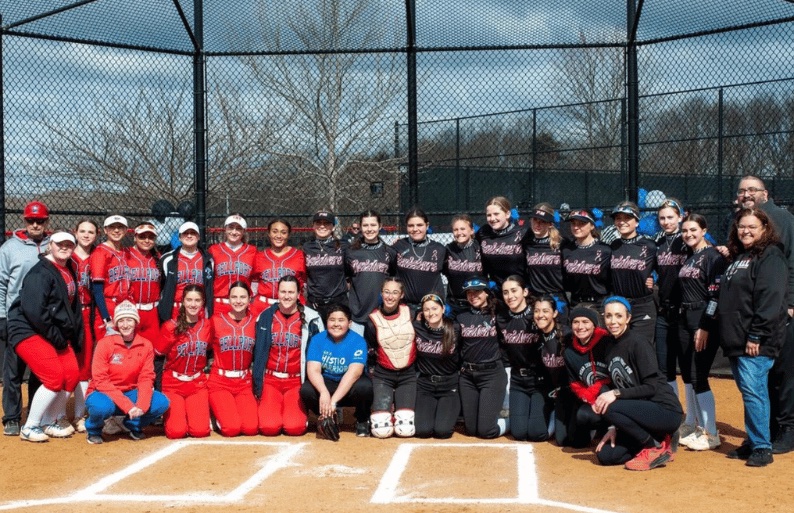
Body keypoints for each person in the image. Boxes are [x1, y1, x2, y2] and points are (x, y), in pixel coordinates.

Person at [719, 208, 788, 467]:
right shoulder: (741, 257)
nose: (745, 231)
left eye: (752, 227)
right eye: (741, 227)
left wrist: (757, 334)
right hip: (737, 338)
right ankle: (753, 440)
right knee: (750, 392)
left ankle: (761, 446)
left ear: (764, 229)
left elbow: (770, 299)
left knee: (754, 391)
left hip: (755, 340)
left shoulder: (771, 256)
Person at [734, 176, 794, 454]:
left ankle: (788, 428)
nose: (746, 193)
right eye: (742, 190)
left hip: (781, 309)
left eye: (752, 189)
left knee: (783, 372)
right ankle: (766, 429)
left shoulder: (782, 218)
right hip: (753, 312)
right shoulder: (741, 221)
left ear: (765, 193)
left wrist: (790, 302)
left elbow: (790, 263)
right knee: (761, 377)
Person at [6, 231, 83, 442]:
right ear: (50, 245)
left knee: (71, 374)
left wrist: (71, 335)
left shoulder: (67, 268)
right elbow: (34, 311)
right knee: (53, 377)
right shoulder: (40, 273)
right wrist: (56, 336)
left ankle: (50, 421)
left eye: (69, 244)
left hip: (51, 331)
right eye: (60, 244)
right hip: (28, 330)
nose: (65, 247)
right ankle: (30, 426)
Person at [593, 297, 682, 471]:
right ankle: (658, 440)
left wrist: (615, 394)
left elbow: (651, 387)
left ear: (628, 318)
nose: (613, 321)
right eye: (609, 316)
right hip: (640, 412)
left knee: (609, 406)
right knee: (606, 455)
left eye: (619, 316)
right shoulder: (609, 345)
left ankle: (654, 446)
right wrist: (614, 426)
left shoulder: (638, 342)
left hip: (664, 410)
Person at [84, 300, 170, 444]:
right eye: (121, 320)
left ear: (136, 322)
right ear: (116, 323)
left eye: (129, 320)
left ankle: (131, 424)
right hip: (103, 393)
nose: (125, 325)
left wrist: (141, 406)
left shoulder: (146, 345)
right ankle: (94, 429)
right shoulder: (105, 344)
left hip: (131, 392)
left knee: (161, 402)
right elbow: (101, 380)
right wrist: (127, 406)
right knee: (101, 407)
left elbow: (146, 377)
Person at [676, 214, 726, 451]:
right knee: (689, 373)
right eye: (685, 231)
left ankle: (711, 433)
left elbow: (716, 296)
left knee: (699, 374)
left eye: (693, 230)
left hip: (702, 318)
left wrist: (705, 325)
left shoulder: (714, 256)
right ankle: (697, 427)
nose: (688, 234)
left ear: (704, 230)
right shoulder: (690, 256)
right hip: (685, 316)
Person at [1, 200, 51, 437]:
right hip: (17, 317)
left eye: (40, 220)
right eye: (31, 220)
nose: (35, 224)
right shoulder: (10, 248)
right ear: (24, 221)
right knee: (13, 371)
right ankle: (11, 417)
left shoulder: (55, 245)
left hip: (44, 318)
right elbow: (1, 285)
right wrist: (2, 317)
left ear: (46, 222)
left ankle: (35, 413)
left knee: (41, 369)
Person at [252, 276, 323, 436]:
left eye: (291, 292)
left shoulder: (312, 318)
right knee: (269, 428)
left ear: (299, 294)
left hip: (296, 381)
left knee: (294, 428)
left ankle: (298, 414)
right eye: (283, 291)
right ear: (277, 293)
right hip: (271, 380)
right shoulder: (265, 316)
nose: (286, 296)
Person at [497, 277, 566, 442]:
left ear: (525, 292)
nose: (510, 296)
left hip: (540, 381)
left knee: (537, 434)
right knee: (519, 433)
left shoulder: (537, 316)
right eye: (505, 292)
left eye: (514, 291)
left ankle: (554, 412)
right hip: (518, 381)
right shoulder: (501, 319)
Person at [300, 304, 373, 438]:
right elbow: (313, 370)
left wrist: (332, 401)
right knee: (306, 390)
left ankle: (362, 419)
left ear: (349, 323)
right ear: (326, 322)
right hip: (328, 382)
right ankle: (327, 416)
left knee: (365, 387)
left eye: (341, 320)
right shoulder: (318, 339)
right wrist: (323, 392)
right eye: (332, 320)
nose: (336, 324)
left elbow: (354, 373)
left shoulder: (358, 341)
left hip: (349, 384)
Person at [155, 285, 212, 439]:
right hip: (173, 383)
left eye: (197, 300)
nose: (193, 304)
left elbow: (211, 352)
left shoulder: (207, 325)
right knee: (176, 432)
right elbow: (158, 358)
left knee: (200, 431)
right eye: (189, 300)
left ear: (202, 303)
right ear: (182, 302)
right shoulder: (170, 327)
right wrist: (159, 390)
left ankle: (200, 415)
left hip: (197, 383)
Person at [365, 277, 417, 438]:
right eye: (386, 292)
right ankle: (384, 412)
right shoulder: (372, 320)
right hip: (384, 374)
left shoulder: (412, 314)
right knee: (381, 430)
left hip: (408, 374)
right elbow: (372, 348)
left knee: (405, 428)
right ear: (381, 293)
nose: (390, 296)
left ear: (401, 295)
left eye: (395, 292)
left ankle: (399, 410)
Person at [457, 276, 507, 439]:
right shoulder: (461, 317)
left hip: (492, 375)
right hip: (468, 377)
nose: (473, 295)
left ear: (486, 293)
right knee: (471, 430)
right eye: (469, 293)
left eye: (477, 291)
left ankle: (512, 422)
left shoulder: (498, 315)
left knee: (486, 431)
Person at [208, 281, 258, 437]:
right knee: (231, 429)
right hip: (220, 382)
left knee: (251, 428)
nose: (238, 301)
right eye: (234, 297)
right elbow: (204, 348)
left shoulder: (255, 322)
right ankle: (214, 412)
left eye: (243, 297)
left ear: (250, 299)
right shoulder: (215, 321)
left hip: (244, 382)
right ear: (228, 299)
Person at [558, 307, 611, 448]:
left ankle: (612, 427)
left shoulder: (607, 342)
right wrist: (589, 398)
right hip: (590, 398)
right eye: (576, 322)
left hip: (613, 396)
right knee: (573, 441)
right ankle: (597, 428)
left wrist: (600, 394)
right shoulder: (569, 351)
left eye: (585, 322)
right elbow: (575, 383)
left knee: (603, 392)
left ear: (594, 324)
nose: (580, 327)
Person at [413, 293, 461, 439]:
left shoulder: (455, 329)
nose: (430, 313)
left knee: (442, 432)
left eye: (434, 308)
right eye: (426, 309)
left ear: (443, 309)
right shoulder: (417, 327)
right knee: (422, 431)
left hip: (449, 385)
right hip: (425, 386)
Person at [653, 198, 687, 400]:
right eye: (662, 218)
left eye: (670, 217)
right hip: (663, 311)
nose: (666, 221)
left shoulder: (688, 239)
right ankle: (674, 410)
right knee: (664, 366)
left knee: (687, 367)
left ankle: (693, 417)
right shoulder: (657, 242)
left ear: (680, 217)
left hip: (684, 311)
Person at [609, 201, 657, 343]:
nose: (622, 222)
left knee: (641, 349)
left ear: (637, 222)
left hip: (643, 306)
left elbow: (667, 268)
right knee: (620, 348)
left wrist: (655, 279)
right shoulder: (613, 246)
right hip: (619, 305)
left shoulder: (650, 246)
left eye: (627, 218)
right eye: (618, 218)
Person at [346, 210, 396, 335]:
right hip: (358, 315)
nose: (369, 229)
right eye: (365, 225)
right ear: (360, 227)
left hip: (382, 314)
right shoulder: (351, 252)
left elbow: (394, 279)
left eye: (373, 225)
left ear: (380, 226)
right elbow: (347, 279)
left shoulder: (389, 252)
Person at [392, 208, 447, 314]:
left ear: (427, 225)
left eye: (419, 225)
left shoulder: (439, 249)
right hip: (405, 307)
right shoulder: (398, 246)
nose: (415, 229)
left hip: (431, 308)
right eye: (411, 225)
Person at [158, 221, 214, 323]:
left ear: (198, 237)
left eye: (192, 233)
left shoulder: (208, 260)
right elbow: (160, 287)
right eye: (185, 233)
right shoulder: (167, 259)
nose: (189, 236)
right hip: (175, 309)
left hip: (198, 310)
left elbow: (209, 287)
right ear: (179, 237)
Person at [252, 218, 307, 318]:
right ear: (268, 234)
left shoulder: (299, 256)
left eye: (283, 232)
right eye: (274, 231)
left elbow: (304, 282)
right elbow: (254, 283)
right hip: (263, 306)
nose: (278, 236)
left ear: (288, 234)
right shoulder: (259, 256)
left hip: (292, 306)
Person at [524, 203, 569, 321]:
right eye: (535, 220)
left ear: (550, 223)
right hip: (536, 297)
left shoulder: (561, 243)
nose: (537, 224)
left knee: (561, 333)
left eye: (542, 221)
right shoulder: (527, 242)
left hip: (557, 298)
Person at [303, 210, 349, 323]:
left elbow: (350, 273)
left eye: (326, 223)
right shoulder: (307, 247)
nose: (322, 226)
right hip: (315, 303)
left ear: (333, 227)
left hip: (338, 302)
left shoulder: (344, 246)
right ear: (313, 226)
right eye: (318, 223)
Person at [90, 215, 131, 339]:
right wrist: (106, 318)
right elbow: (97, 291)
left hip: (123, 305)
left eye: (120, 227)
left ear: (126, 230)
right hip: (107, 305)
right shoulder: (100, 252)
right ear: (105, 230)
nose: (116, 230)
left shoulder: (125, 252)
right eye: (112, 227)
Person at [562, 209, 611, 311]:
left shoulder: (605, 250)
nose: (576, 227)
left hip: (599, 304)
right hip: (575, 303)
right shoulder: (566, 250)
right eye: (573, 223)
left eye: (581, 224)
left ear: (592, 225)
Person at [209, 214, 257, 317]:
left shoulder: (252, 251)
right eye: (231, 227)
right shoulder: (214, 250)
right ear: (225, 229)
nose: (234, 232)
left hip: (243, 305)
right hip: (220, 303)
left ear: (244, 231)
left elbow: (256, 279)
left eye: (238, 228)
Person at [476, 196, 529, 289]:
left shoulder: (522, 233)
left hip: (518, 289)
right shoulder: (483, 232)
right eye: (489, 215)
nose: (492, 218)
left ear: (507, 214)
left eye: (496, 214)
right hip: (495, 289)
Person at [125, 222, 161, 348]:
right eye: (142, 236)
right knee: (131, 347)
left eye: (150, 237)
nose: (146, 240)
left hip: (153, 311)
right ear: (134, 237)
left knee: (151, 348)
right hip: (132, 309)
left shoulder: (157, 258)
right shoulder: (126, 254)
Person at [443, 214, 483, 318]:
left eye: (463, 229)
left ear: (472, 230)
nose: (459, 232)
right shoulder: (448, 249)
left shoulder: (480, 248)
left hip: (477, 302)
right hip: (454, 303)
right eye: (455, 229)